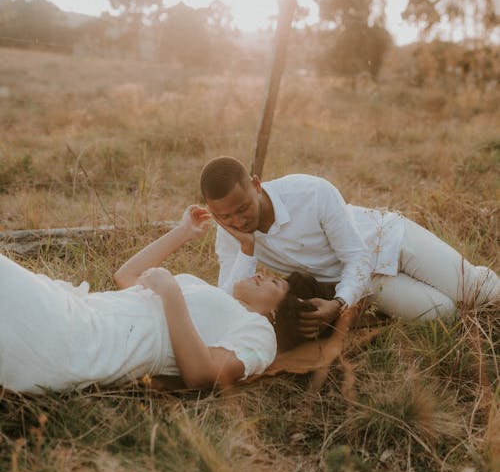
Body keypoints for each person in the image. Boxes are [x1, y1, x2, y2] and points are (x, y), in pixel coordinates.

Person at [0, 206, 297, 395]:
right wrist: (182, 233)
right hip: (78, 310)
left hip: (84, 342)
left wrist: (171, 293)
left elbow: (203, 375)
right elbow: (127, 276)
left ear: (277, 313)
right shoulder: (212, 295)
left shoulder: (259, 333)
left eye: (274, 282)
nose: (262, 275)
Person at [199, 157, 499, 338]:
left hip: (388, 237)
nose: (237, 220)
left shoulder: (310, 191)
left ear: (256, 184)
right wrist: (247, 248)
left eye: (243, 208)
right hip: (365, 282)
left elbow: (356, 254)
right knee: (443, 314)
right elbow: (228, 296)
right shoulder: (231, 233)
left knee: (472, 289)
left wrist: (339, 304)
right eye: (224, 216)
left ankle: (478, 280)